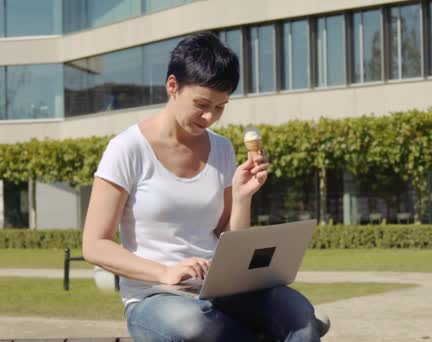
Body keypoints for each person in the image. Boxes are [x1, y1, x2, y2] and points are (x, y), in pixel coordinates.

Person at [82, 32, 321, 342]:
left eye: (220, 107)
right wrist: (164, 272)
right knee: (197, 327)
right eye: (201, 104)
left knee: (299, 313)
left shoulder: (221, 149)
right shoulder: (127, 149)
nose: (210, 117)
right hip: (156, 296)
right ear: (172, 86)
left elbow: (227, 238)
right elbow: (95, 244)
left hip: (219, 292)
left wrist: (241, 197)